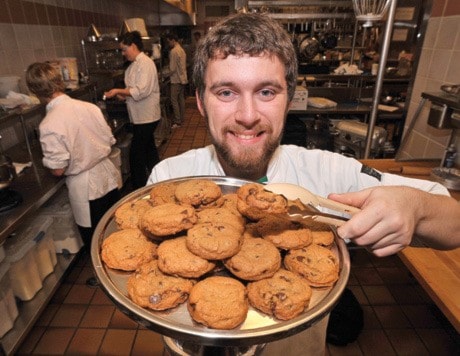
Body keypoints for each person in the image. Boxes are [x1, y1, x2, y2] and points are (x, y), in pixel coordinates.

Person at [147, 13, 460, 355]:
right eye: (226, 92)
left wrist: (413, 207)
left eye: (266, 91)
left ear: (289, 98)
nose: (247, 114)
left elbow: (454, 225)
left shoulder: (325, 174)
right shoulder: (170, 179)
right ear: (200, 102)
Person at [25, 62, 120, 254]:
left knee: (95, 241)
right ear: (59, 81)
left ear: (35, 91)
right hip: (108, 177)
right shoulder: (89, 107)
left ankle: (100, 277)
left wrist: (49, 165)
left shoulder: (49, 124)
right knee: (113, 232)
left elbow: (58, 169)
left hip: (86, 189)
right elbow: (109, 140)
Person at [104, 31, 161, 190]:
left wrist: (118, 91)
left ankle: (139, 188)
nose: (123, 53)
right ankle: (160, 181)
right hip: (140, 117)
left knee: (136, 155)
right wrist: (123, 95)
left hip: (147, 117)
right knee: (149, 152)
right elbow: (133, 90)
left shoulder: (145, 63)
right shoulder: (134, 65)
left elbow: (141, 90)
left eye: (124, 49)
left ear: (134, 46)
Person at [164, 32, 188, 129]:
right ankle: (181, 118)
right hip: (182, 79)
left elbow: (172, 69)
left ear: (173, 40)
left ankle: (177, 121)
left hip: (176, 79)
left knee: (174, 100)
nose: (168, 43)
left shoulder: (174, 51)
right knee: (181, 99)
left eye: (169, 41)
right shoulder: (181, 50)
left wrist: (163, 75)